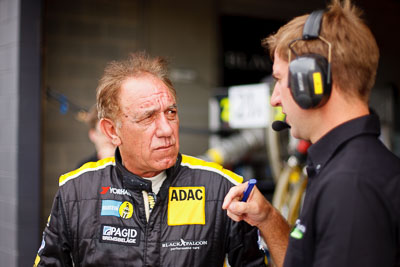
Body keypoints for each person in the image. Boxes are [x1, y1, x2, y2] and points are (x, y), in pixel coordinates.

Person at [34, 52, 267, 266]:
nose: (166, 129)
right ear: (112, 131)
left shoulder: (224, 189)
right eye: (148, 117)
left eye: (171, 113)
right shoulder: (75, 192)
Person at [223, 0, 400, 267]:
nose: (274, 99)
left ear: (313, 82)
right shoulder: (345, 169)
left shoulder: (350, 187)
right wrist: (268, 219)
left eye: (279, 80)